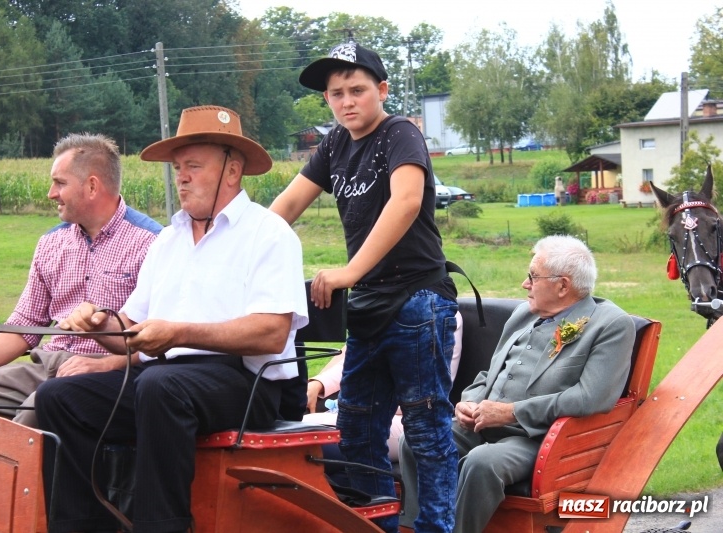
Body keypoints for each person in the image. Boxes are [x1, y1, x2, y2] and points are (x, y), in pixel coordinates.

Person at [35, 105, 308, 533]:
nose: (180, 177)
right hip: (161, 381)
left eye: (193, 167)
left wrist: (178, 333)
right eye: (178, 167)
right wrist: (99, 322)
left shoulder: (269, 234)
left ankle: (160, 526)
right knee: (58, 396)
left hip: (245, 385)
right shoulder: (168, 240)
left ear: (232, 170)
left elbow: (272, 334)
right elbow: (130, 332)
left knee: (161, 387)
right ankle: (81, 526)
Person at [270, 40, 458, 533]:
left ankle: (436, 529)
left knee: (425, 429)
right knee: (355, 427)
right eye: (336, 94)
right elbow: (283, 210)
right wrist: (243, 255)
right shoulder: (334, 145)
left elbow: (406, 201)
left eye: (357, 90)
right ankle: (378, 526)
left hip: (418, 299)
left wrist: (351, 272)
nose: (347, 101)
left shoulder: (400, 134)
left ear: (382, 90)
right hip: (371, 308)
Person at [398, 235, 636, 533]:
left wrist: (511, 412)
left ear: (563, 286)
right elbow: (490, 372)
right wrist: (468, 402)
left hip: (537, 440)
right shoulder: (524, 313)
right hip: (480, 426)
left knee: (482, 462)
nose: (525, 284)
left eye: (533, 277)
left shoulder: (611, 324)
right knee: (416, 439)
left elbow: (592, 397)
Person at [0, 133, 162, 427]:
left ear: (91, 186)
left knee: (30, 416)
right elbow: (22, 327)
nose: (51, 193)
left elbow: (162, 340)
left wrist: (109, 363)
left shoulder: (153, 243)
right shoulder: (50, 243)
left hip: (109, 375)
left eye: (60, 183)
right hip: (44, 365)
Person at [304, 311, 463, 463]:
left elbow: (425, 397)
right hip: (358, 414)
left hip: (406, 420)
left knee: (299, 445)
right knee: (292, 430)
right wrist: (319, 383)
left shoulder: (439, 313)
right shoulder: (382, 306)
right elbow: (353, 357)